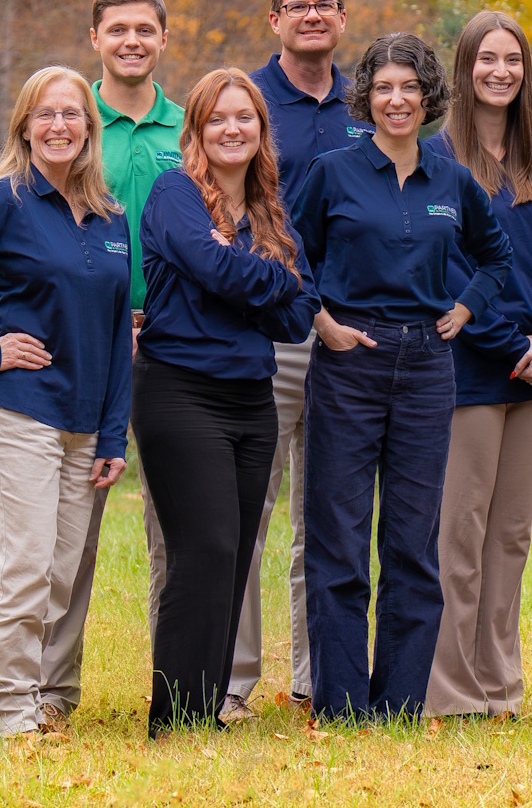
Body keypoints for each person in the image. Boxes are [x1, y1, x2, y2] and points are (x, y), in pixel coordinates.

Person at [289, 32, 513, 723]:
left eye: (409, 88)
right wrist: (322, 321)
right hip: (350, 363)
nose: (396, 100)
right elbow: (291, 257)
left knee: (414, 544)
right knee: (340, 540)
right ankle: (341, 704)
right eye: (384, 87)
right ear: (366, 96)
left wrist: (466, 307)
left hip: (426, 368)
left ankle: (400, 705)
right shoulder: (332, 172)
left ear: (429, 98)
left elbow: (496, 257)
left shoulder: (452, 179)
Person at [0, 66, 135, 738]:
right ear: (25, 127)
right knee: (29, 566)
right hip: (17, 410)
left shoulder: (111, 218)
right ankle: (4, 713)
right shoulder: (4, 199)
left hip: (84, 422)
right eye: (46, 115)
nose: (60, 125)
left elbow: (120, 330)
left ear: (89, 129)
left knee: (61, 576)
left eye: (72, 114)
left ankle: (32, 698)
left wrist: (114, 436)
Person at [136, 69, 319, 734]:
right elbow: (211, 268)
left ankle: (205, 705)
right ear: (198, 131)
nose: (232, 129)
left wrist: (252, 277)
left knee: (236, 556)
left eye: (245, 117)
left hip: (252, 400)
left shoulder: (270, 212)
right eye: (218, 118)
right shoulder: (175, 194)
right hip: (180, 390)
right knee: (204, 550)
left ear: (261, 131)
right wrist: (271, 280)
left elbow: (302, 315)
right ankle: (175, 717)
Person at [422, 12, 532, 720]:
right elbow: (444, 268)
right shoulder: (435, 161)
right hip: (468, 370)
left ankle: (500, 687)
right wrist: (508, 343)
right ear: (464, 68)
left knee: (510, 536)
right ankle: (451, 690)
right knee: (460, 531)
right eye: (487, 58)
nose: (500, 71)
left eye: (512, 59)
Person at [46, 0, 185, 731]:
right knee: (73, 526)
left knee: (175, 528)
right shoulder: (68, 124)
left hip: (173, 348)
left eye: (145, 30)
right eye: (117, 29)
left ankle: (176, 689)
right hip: (83, 345)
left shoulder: (188, 130)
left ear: (164, 40)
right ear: (94, 38)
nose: (132, 41)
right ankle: (51, 691)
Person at [236, 0, 367, 718]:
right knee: (248, 514)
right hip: (267, 332)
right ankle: (232, 683)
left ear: (343, 20)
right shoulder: (246, 103)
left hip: (350, 340)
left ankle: (319, 679)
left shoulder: (370, 102)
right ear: (275, 19)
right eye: (298, 7)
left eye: (325, 6)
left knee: (326, 519)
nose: (312, 16)